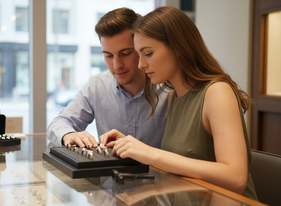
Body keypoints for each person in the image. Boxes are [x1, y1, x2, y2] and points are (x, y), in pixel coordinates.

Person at [100, 6, 258, 200]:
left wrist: (150, 153)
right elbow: (181, 164)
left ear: (179, 49)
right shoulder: (175, 96)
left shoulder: (216, 92)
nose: (141, 64)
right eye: (139, 55)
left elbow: (236, 177)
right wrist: (133, 149)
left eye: (148, 53)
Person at [47, 8, 169, 148]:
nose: (117, 65)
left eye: (126, 53)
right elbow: (59, 123)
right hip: (109, 170)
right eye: (108, 55)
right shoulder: (97, 85)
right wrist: (68, 134)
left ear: (140, 49)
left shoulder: (169, 87)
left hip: (158, 170)